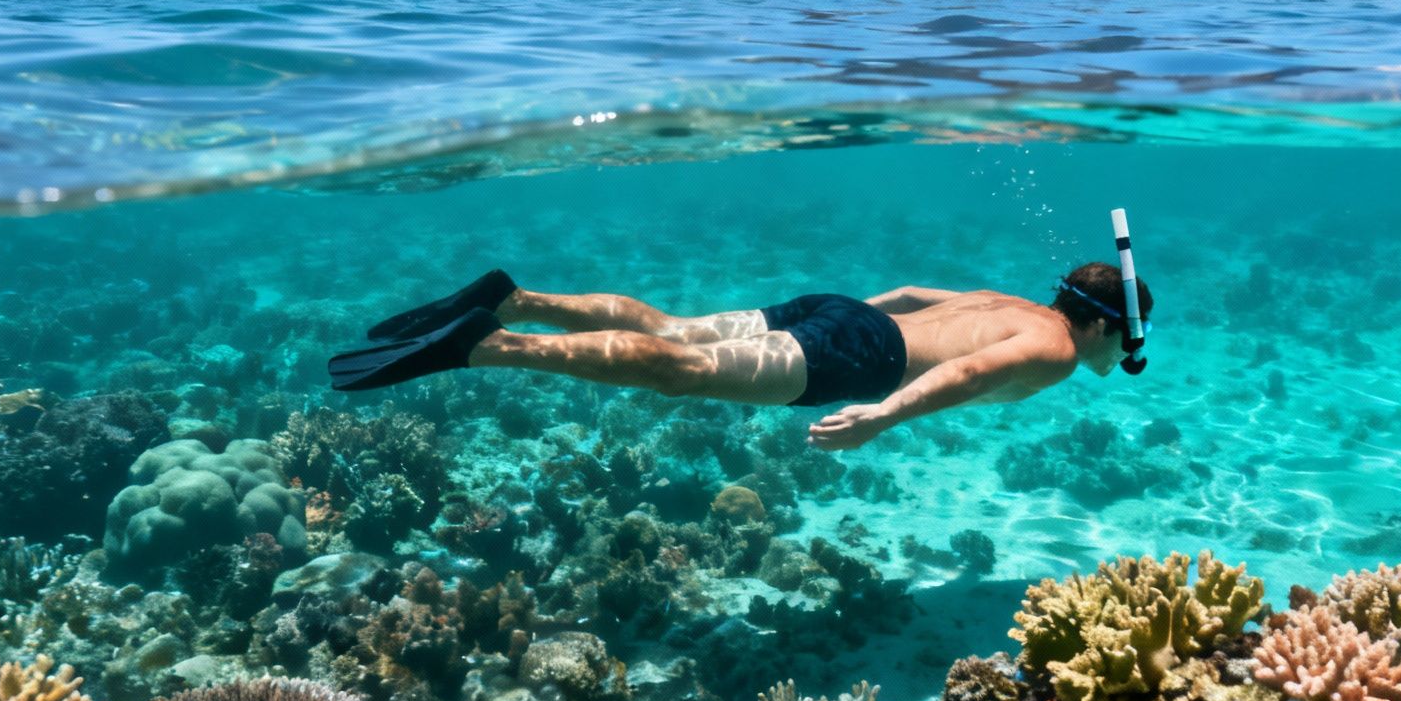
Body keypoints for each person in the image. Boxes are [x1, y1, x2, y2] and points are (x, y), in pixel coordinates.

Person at [328, 265, 1152, 450]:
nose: (1129, 358)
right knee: (678, 370)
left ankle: (510, 299)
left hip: (843, 312)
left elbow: (904, 293)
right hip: (859, 355)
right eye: (1135, 343)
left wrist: (840, 322)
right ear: (1111, 328)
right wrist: (883, 413)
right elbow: (968, 374)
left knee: (676, 328)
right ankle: (487, 345)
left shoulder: (1019, 306)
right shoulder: (1053, 350)